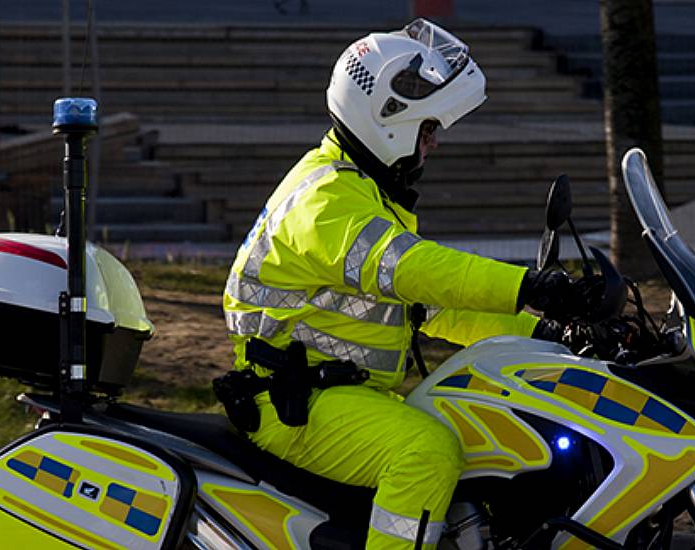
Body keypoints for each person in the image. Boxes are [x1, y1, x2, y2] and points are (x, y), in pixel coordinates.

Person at [222, 19, 581, 549]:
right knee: (426, 449)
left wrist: (549, 332)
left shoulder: (364, 192)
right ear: (387, 121)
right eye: (428, 129)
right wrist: (527, 285)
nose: (433, 145)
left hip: (336, 395)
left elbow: (430, 307)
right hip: (291, 404)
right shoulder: (326, 201)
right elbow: (414, 270)